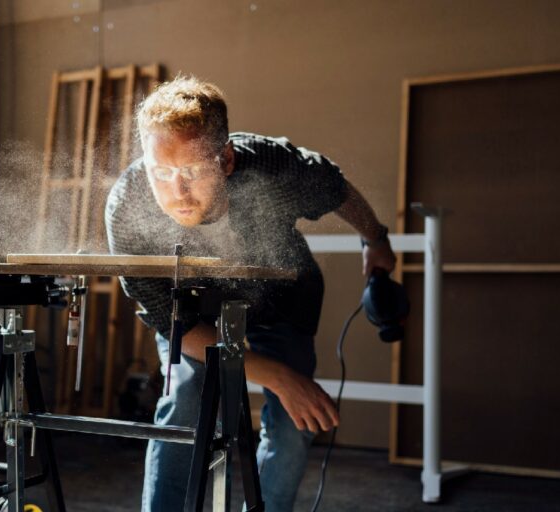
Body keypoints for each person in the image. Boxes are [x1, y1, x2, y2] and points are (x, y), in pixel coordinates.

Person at [104, 76, 397, 511]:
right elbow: (174, 324)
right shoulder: (128, 205)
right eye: (161, 172)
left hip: (280, 302)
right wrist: (277, 377)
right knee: (184, 403)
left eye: (192, 171)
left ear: (225, 159)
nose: (177, 192)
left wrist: (375, 240)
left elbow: (336, 188)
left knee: (295, 423)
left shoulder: (272, 166)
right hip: (193, 316)